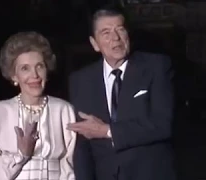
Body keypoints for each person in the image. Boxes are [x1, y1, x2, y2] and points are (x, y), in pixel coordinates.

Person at [67, 5, 176, 180]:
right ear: (94, 44)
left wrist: (107, 131)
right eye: (106, 33)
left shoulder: (156, 67)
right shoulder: (80, 80)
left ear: (128, 35)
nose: (115, 38)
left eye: (120, 30)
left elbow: (163, 124)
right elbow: (82, 146)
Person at [0, 31, 76, 180]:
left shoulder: (64, 110)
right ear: (14, 75)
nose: (35, 75)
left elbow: (71, 163)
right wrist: (21, 155)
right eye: (25, 68)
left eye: (39, 66)